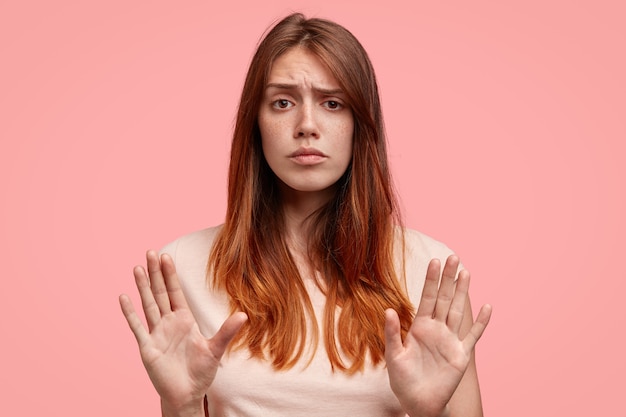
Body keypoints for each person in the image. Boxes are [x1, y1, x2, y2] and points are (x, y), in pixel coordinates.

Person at [119, 13, 492, 417]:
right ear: (255, 123)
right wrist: (183, 405)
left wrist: (427, 412)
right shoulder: (184, 268)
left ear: (359, 125)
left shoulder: (430, 273)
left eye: (332, 103)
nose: (307, 126)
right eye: (283, 102)